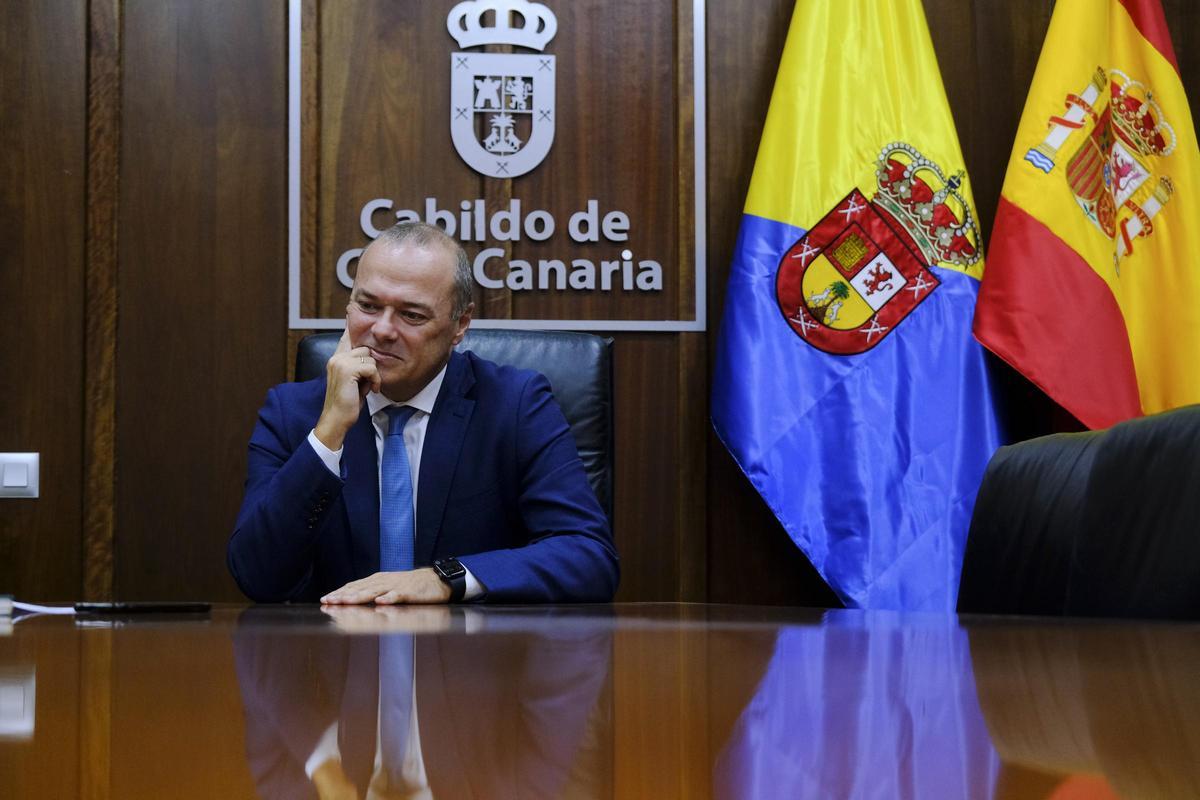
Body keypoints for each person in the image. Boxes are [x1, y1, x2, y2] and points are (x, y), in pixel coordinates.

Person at [228, 222, 619, 604]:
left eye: (411, 315)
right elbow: (257, 575)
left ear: (460, 324)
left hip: (470, 659)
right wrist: (329, 433)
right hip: (338, 658)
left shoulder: (515, 405)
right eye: (367, 306)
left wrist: (447, 578)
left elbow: (588, 556)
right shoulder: (292, 413)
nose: (381, 330)